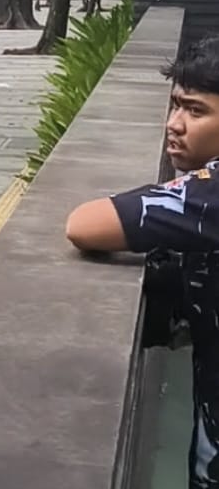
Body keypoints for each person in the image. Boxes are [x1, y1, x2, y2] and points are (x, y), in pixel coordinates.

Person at [65, 36, 219, 485]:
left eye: (195, 111)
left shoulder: (209, 198)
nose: (174, 124)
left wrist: (178, 190)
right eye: (175, 106)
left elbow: (84, 224)